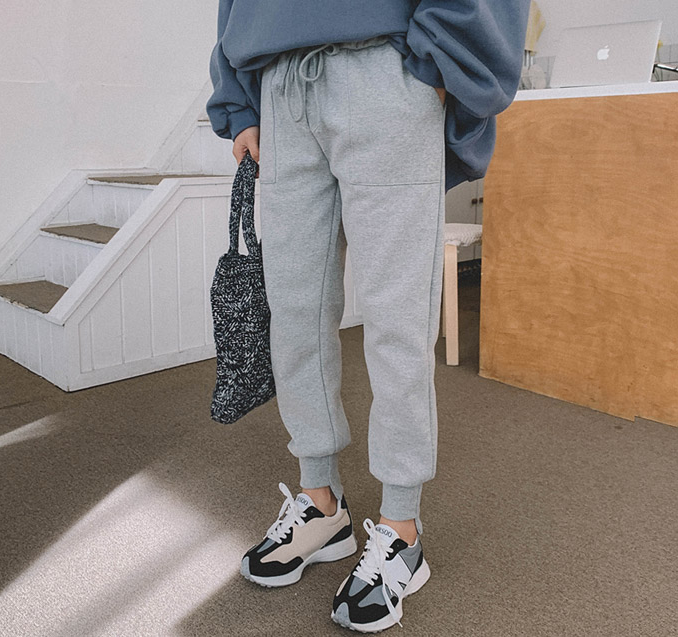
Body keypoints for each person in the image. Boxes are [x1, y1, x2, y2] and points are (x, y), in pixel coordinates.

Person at [207, 1, 530, 632]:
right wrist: (239, 101)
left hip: (385, 73)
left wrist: (442, 59)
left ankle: (402, 528)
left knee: (396, 320)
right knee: (295, 314)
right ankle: (321, 504)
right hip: (280, 88)